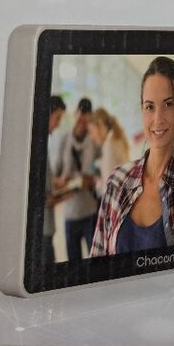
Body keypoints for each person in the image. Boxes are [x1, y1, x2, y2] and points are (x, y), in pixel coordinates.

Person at [91, 57, 174, 255]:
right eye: (150, 107)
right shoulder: (117, 182)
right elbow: (97, 261)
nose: (157, 119)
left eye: (168, 104)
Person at [53, 96, 100, 262]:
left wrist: (92, 180)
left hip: (90, 212)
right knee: (73, 265)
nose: (82, 122)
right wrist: (63, 181)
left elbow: (101, 174)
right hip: (70, 214)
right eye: (80, 118)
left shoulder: (94, 141)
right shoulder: (64, 139)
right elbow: (56, 173)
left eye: (86, 120)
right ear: (75, 115)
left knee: (95, 262)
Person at [87, 107, 131, 200]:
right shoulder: (114, 140)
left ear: (100, 124)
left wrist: (97, 182)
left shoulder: (108, 145)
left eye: (91, 131)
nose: (91, 137)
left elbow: (107, 187)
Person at [42, 95, 67, 263]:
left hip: (47, 227)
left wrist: (57, 183)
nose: (58, 124)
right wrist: (64, 195)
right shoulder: (37, 146)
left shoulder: (44, 144)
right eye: (57, 118)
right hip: (43, 229)